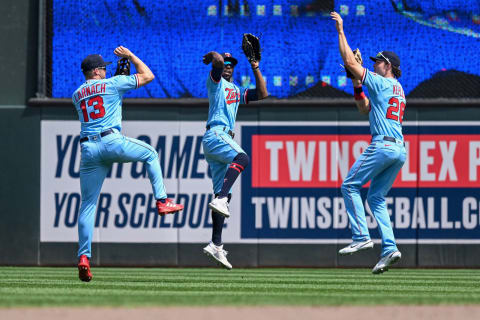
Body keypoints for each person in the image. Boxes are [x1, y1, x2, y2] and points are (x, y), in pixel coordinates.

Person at [73, 46, 184, 282]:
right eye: (103, 68)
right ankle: (163, 201)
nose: (105, 71)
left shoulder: (77, 94)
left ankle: (84, 257)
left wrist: (117, 80)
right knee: (151, 154)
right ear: (95, 71)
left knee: (88, 205)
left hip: (89, 149)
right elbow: (148, 76)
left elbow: (103, 96)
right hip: (111, 140)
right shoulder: (111, 85)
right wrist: (132, 57)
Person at [330, 12, 407, 274]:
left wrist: (341, 30)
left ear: (388, 65)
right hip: (399, 150)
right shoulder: (396, 88)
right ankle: (389, 248)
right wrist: (356, 80)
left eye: (378, 62)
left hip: (383, 145)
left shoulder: (383, 83)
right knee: (375, 199)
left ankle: (361, 236)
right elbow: (364, 108)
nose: (374, 65)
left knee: (349, 185)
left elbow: (350, 62)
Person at [201, 48, 268, 269]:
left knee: (224, 196)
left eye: (232, 63)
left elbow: (262, 93)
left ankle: (216, 244)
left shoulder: (236, 90)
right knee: (242, 157)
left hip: (220, 139)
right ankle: (220, 198)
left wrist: (255, 66)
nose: (228, 65)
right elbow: (218, 62)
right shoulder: (216, 83)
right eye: (226, 63)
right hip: (216, 133)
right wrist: (214, 55)